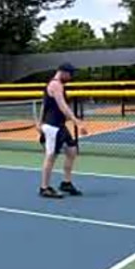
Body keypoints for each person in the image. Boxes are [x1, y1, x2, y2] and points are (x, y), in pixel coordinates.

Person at [36, 63, 88, 199]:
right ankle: (44, 188)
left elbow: (44, 104)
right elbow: (62, 106)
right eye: (70, 73)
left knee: (72, 150)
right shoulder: (56, 85)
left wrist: (39, 122)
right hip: (53, 127)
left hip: (60, 125)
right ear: (63, 72)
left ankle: (66, 182)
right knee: (51, 156)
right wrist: (77, 122)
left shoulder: (57, 84)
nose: (71, 76)